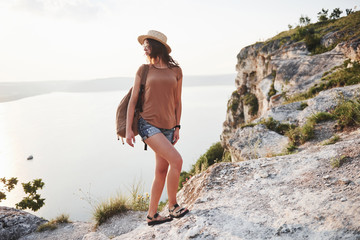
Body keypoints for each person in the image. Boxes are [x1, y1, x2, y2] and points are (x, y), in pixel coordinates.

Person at [125, 30, 189, 226]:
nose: (144, 47)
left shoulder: (176, 71)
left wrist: (177, 126)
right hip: (148, 124)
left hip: (169, 126)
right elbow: (133, 100)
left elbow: (178, 101)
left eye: (147, 43)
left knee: (161, 170)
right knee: (177, 160)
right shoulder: (143, 70)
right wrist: (128, 129)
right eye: (143, 44)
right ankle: (173, 206)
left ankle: (152, 215)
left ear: (157, 45)